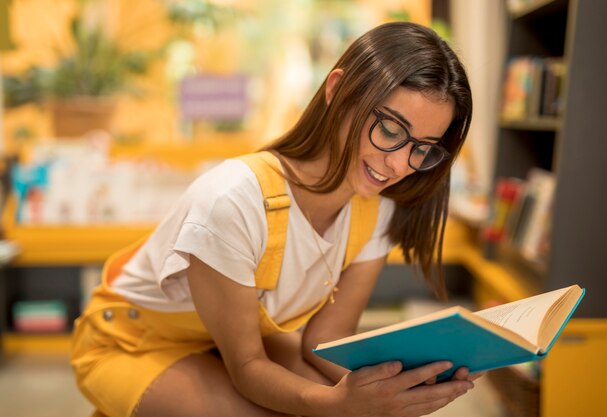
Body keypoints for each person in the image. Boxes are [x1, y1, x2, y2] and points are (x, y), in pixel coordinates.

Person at [71, 21, 476, 417]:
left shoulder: (376, 211)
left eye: (423, 148)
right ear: (337, 90)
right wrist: (339, 404)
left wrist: (397, 390)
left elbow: (326, 341)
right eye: (390, 128)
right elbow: (247, 366)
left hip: (244, 343)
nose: (399, 164)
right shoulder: (233, 201)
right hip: (131, 344)